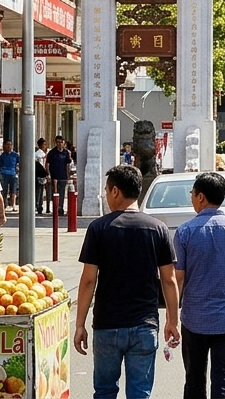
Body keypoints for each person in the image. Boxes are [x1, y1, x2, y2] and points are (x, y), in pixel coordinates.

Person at [74, 165, 181, 399]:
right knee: (140, 393)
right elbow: (169, 280)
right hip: (145, 325)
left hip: (107, 325)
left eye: (106, 190)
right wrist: (173, 320)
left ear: (115, 192)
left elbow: (88, 280)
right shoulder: (158, 229)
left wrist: (80, 324)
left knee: (104, 391)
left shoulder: (99, 228)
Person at [173, 172, 225, 399]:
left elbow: (178, 278)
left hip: (193, 320)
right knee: (223, 382)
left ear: (200, 197)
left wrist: (172, 318)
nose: (191, 198)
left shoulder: (185, 232)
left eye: (192, 193)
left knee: (193, 381)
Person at [46, 136, 72, 213]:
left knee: (62, 193)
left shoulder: (66, 152)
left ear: (63, 143)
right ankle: (54, 208)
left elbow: (68, 164)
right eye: (58, 142)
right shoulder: (52, 152)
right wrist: (48, 174)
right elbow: (47, 164)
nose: (59, 144)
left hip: (63, 176)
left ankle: (60, 208)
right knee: (54, 193)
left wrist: (68, 175)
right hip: (54, 176)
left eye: (61, 142)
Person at [0, 140, 19, 212]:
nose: (9, 146)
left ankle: (13, 205)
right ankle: (4, 205)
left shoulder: (15, 155)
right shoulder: (2, 155)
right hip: (4, 174)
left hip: (13, 174)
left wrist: (18, 171)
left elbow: (19, 163)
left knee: (13, 190)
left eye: (10, 145)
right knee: (4, 190)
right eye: (7, 145)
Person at [35, 139, 50, 215]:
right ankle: (38, 206)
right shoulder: (38, 154)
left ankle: (40, 206)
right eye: (44, 144)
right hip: (40, 174)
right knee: (39, 191)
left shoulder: (43, 154)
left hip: (42, 175)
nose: (45, 146)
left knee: (41, 192)